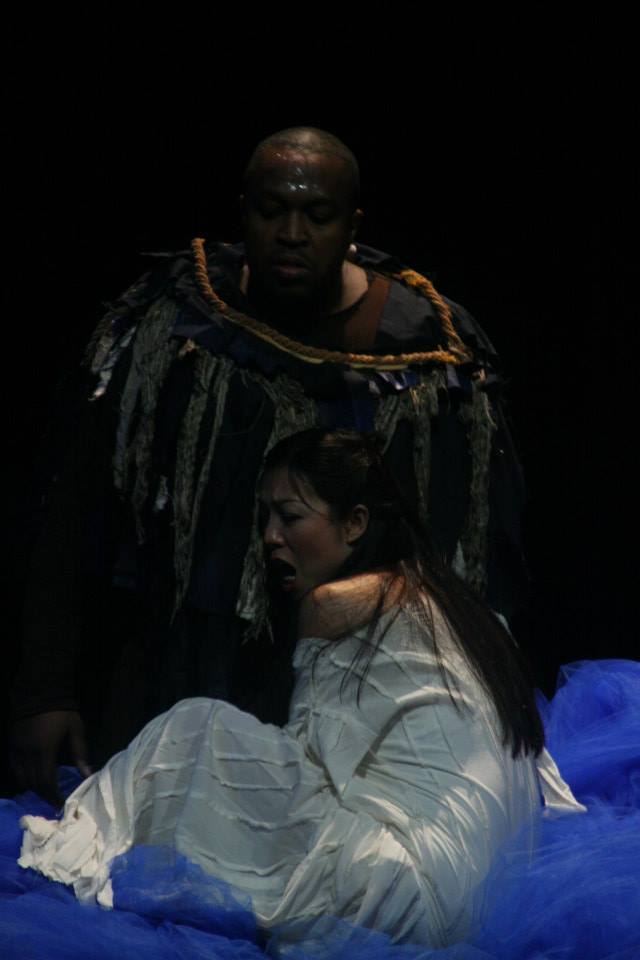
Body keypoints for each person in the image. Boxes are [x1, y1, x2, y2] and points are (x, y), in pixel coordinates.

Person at [10, 126, 529, 804]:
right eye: (271, 210)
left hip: (350, 707)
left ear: (351, 225)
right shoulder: (173, 325)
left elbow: (466, 567)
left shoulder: (427, 363)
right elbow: (70, 509)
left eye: (317, 215)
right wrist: (44, 688)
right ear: (243, 211)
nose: (291, 233)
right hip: (174, 675)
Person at [16, 428, 584, 952]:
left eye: (290, 516)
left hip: (411, 894)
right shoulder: (463, 608)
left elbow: (310, 763)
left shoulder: (338, 602)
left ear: (355, 523)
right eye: (266, 516)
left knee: (195, 726)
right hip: (495, 891)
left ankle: (83, 840)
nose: (270, 537)